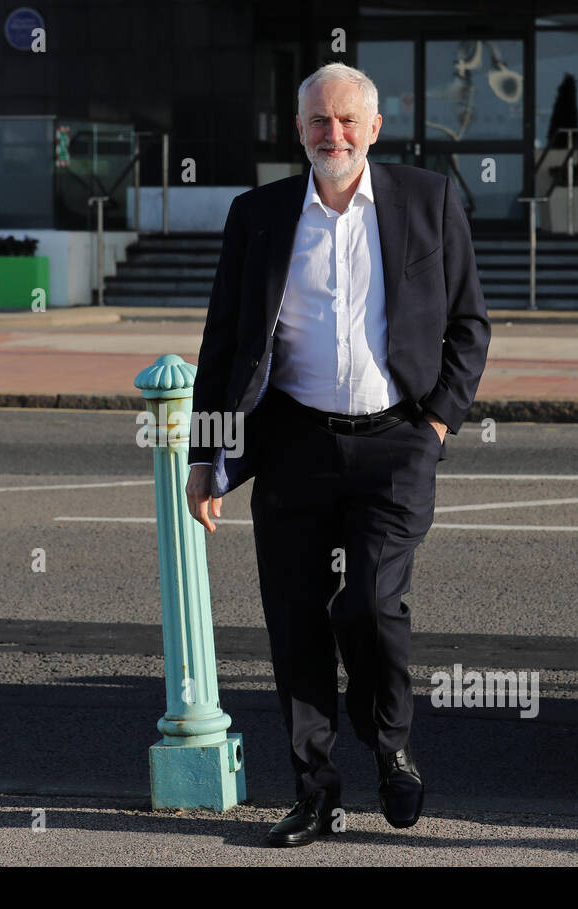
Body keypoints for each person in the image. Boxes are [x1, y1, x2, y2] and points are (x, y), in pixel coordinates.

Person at [185, 62, 490, 848]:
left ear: (375, 128)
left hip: (396, 442)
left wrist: (436, 429)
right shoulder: (258, 214)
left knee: (370, 606)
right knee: (295, 627)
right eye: (320, 122)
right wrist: (207, 458)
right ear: (298, 131)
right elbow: (223, 344)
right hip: (292, 442)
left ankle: (390, 744)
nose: (335, 135)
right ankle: (314, 794)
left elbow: (469, 325)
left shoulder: (428, 200)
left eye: (349, 121)